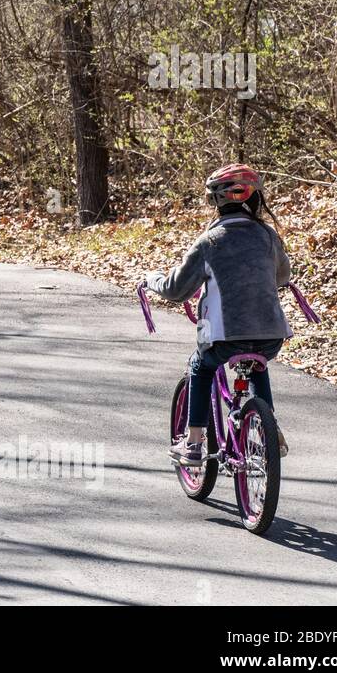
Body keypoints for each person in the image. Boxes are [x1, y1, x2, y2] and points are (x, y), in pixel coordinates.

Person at [143, 164, 293, 466]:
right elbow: (282, 276)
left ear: (215, 202)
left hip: (226, 337)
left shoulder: (209, 242)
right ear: (254, 199)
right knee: (257, 366)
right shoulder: (268, 236)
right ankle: (268, 425)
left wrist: (152, 280)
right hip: (271, 336)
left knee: (201, 367)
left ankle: (195, 444)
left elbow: (176, 289)